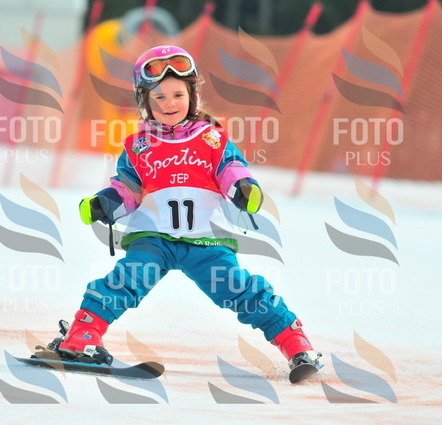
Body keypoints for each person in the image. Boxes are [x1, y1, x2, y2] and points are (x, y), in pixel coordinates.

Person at [49, 45, 321, 374]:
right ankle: (81, 337)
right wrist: (106, 203)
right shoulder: (138, 145)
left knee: (239, 289)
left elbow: (231, 170)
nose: (169, 104)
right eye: (159, 97)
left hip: (207, 240)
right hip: (154, 237)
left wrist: (243, 189)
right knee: (126, 280)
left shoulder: (212, 139)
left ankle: (296, 344)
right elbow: (128, 188)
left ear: (192, 96)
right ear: (145, 102)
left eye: (178, 95)